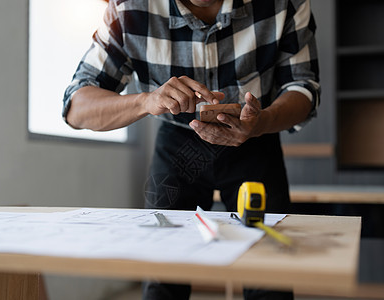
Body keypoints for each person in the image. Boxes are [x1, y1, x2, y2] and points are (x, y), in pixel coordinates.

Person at [63, 0, 320, 299]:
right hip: (177, 142)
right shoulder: (128, 9)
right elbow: (75, 107)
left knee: (269, 274)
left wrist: (262, 122)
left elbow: (303, 86)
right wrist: (145, 101)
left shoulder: (286, 4)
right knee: (163, 277)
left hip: (255, 137)